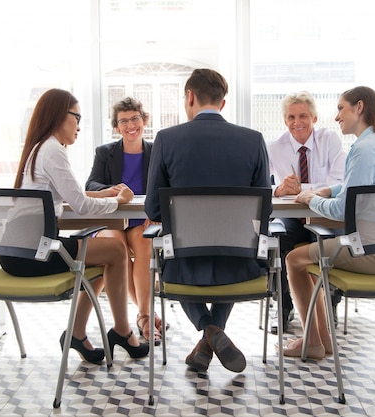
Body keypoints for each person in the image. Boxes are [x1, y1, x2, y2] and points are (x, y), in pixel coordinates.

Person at [0, 88, 149, 364]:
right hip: (35, 253)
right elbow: (81, 206)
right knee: (115, 251)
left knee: (104, 257)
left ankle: (78, 333)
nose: (79, 126)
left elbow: (71, 195)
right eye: (76, 118)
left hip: (15, 251)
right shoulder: (53, 150)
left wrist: (100, 194)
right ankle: (123, 331)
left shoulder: (39, 148)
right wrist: (118, 200)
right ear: (59, 116)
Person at [145, 68, 271, 373]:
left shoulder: (166, 139)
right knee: (227, 248)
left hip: (184, 265)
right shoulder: (253, 140)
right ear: (222, 103)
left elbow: (152, 208)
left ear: (190, 97)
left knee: (172, 263)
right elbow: (264, 211)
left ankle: (210, 332)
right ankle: (214, 334)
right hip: (240, 264)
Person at [282, 86, 375, 360]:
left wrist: (309, 199)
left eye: (341, 108)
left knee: (293, 259)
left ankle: (312, 341)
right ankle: (319, 341)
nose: (337, 117)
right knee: (310, 262)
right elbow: (357, 189)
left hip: (372, 252)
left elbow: (340, 211)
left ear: (359, 107)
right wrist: (329, 190)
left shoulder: (362, 149)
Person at [86, 97, 166, 345]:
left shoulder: (156, 151)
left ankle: (143, 316)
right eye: (124, 121)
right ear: (116, 126)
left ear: (144, 120)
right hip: (112, 219)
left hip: (143, 219)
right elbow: (91, 185)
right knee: (116, 250)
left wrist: (157, 210)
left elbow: (167, 185)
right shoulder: (105, 153)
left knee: (144, 245)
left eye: (135, 118)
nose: (130, 125)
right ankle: (144, 315)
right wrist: (114, 190)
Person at [267, 91, 346, 334]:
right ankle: (285, 307)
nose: (296, 122)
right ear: (284, 121)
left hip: (325, 216)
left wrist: (305, 189)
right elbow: (260, 185)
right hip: (293, 217)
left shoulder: (330, 139)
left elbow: (339, 181)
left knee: (331, 243)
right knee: (278, 241)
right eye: (291, 117)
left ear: (314, 118)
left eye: (303, 116)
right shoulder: (274, 147)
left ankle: (329, 306)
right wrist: (278, 189)